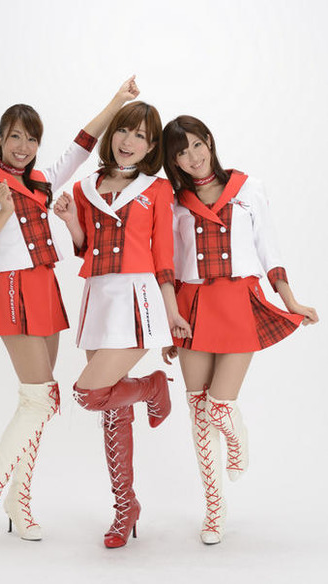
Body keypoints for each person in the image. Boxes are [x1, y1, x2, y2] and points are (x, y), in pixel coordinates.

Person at [0, 77, 140, 542]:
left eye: (31, 139)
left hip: (45, 286)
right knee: (39, 399)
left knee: (40, 399)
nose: (23, 147)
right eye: (15, 136)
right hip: (12, 286)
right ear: (0, 137)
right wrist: (3, 210)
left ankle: (19, 500)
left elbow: (82, 145)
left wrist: (116, 101)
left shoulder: (41, 181)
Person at [162, 115, 318, 545]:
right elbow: (168, 266)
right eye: (181, 152)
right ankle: (214, 509)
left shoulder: (249, 189)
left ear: (209, 142)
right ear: (173, 161)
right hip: (192, 307)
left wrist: (290, 300)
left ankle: (236, 436)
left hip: (238, 301)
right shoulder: (174, 204)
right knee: (198, 412)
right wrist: (170, 322)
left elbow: (270, 249)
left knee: (219, 406)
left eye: (197, 145)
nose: (192, 157)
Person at [54, 101, 191, 548]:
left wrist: (172, 314)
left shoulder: (158, 189)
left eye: (142, 137)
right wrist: (70, 220)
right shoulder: (85, 188)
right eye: (124, 131)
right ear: (112, 134)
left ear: (152, 147)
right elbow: (85, 246)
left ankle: (153, 386)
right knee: (111, 410)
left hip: (138, 299)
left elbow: (164, 259)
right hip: (98, 298)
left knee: (88, 393)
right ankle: (124, 507)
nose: (129, 142)